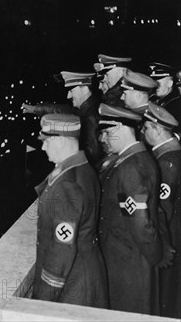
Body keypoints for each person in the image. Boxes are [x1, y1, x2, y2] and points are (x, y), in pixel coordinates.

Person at [32, 114, 108, 307]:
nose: (42, 147)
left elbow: (62, 249)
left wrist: (44, 298)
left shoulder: (67, 185)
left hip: (71, 284)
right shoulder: (84, 169)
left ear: (61, 141)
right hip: (85, 272)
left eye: (47, 141)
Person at [97, 104, 166, 315]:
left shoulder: (131, 167)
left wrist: (154, 256)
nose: (103, 139)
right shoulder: (130, 159)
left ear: (119, 127)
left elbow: (139, 221)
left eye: (107, 132)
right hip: (126, 257)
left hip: (128, 262)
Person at [141, 103, 180, 318]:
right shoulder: (169, 153)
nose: (143, 132)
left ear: (157, 130)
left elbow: (164, 208)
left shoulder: (167, 162)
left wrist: (160, 244)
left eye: (146, 128)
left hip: (171, 237)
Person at [22, 71, 103, 166]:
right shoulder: (85, 110)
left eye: (71, 91)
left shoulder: (91, 116)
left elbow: (92, 153)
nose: (68, 96)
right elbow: (62, 110)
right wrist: (37, 109)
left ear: (84, 89)